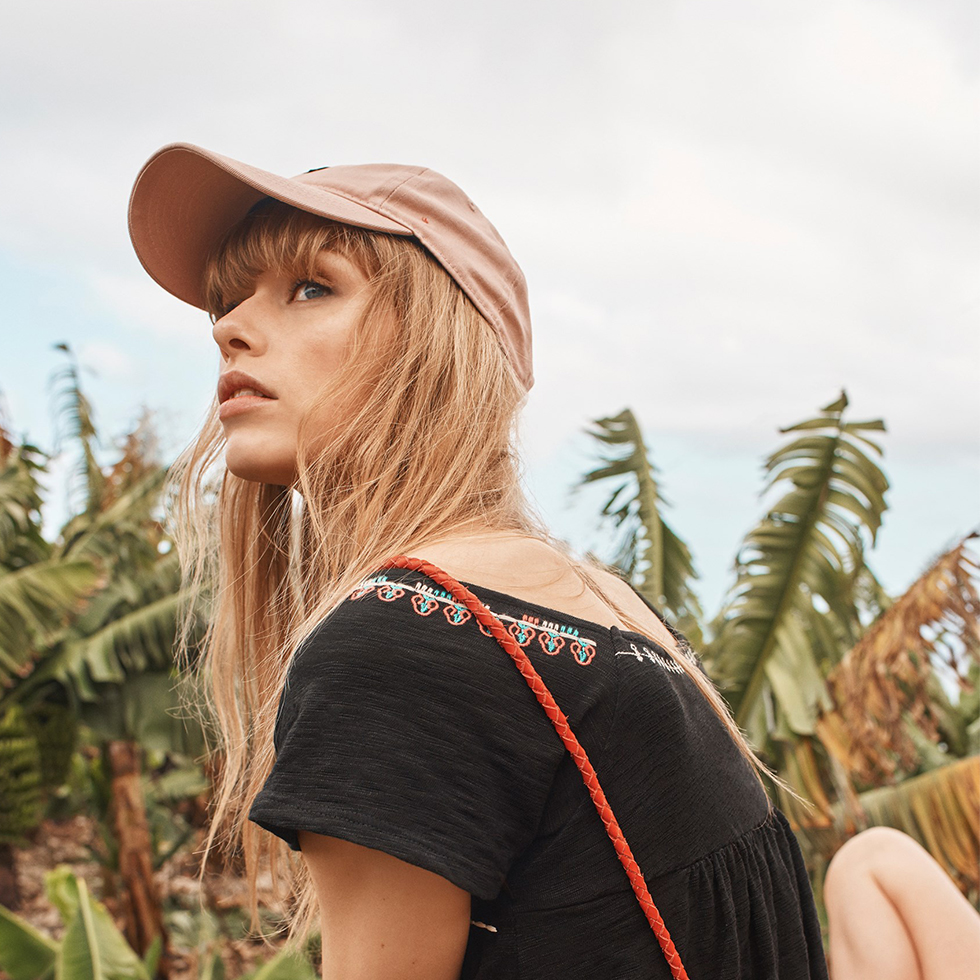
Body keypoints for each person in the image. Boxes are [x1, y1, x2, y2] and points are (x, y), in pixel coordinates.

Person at [125, 141, 953, 979]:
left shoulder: (400, 645)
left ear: (434, 344)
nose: (228, 328)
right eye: (227, 301)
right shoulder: (610, 610)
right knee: (876, 864)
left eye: (312, 288)